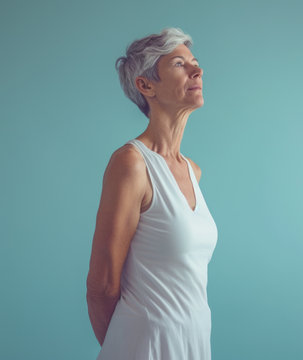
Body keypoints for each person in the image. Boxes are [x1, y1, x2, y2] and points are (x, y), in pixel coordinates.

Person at [86, 27, 218, 360]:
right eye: (179, 64)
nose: (196, 71)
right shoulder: (132, 164)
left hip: (194, 343)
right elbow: (102, 286)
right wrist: (124, 347)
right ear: (146, 86)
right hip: (145, 346)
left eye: (195, 63)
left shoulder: (192, 171)